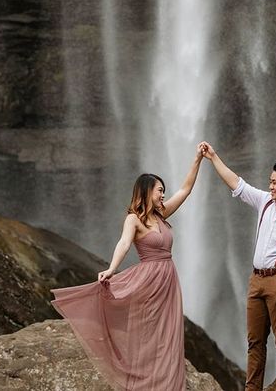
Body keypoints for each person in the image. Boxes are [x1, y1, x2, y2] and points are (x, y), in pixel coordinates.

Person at [51, 144, 205, 391]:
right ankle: (145, 383)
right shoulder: (134, 219)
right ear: (146, 191)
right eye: (160, 191)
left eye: (164, 191)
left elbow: (186, 190)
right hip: (148, 280)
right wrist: (112, 268)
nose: (163, 195)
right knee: (148, 332)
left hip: (168, 280)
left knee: (169, 334)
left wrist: (198, 159)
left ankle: (168, 384)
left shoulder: (162, 214)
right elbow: (124, 243)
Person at [200, 142, 276, 391]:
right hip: (256, 280)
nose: (270, 185)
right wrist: (213, 157)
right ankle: (252, 388)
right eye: (270, 181)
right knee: (255, 341)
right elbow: (237, 184)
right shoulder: (265, 202)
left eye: (274, 182)